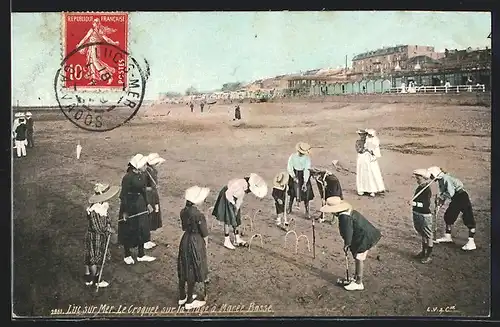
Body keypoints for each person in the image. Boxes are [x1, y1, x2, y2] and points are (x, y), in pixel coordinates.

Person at [320, 196, 381, 291]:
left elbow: (348, 232)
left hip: (365, 237)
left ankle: (359, 283)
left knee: (359, 257)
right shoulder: (347, 212)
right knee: (358, 257)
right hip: (364, 234)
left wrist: (347, 244)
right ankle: (356, 277)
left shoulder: (344, 217)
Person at [212, 173, 267, 250]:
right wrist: (233, 204)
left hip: (234, 197)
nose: (249, 192)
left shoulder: (245, 187)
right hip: (227, 196)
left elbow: (240, 199)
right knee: (227, 218)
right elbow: (228, 193)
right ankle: (226, 240)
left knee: (236, 218)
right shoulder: (239, 184)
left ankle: (236, 238)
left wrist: (236, 209)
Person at [118, 154, 156, 265]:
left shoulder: (143, 175)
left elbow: (143, 190)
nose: (146, 166)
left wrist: (148, 204)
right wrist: (125, 211)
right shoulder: (127, 177)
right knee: (129, 228)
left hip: (140, 204)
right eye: (144, 165)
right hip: (129, 205)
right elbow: (123, 194)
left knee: (142, 227)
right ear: (137, 166)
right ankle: (127, 254)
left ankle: (141, 254)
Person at [427, 166, 476, 251]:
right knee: (449, 216)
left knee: (468, 218)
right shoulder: (441, 180)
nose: (430, 178)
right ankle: (448, 236)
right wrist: (440, 203)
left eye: (431, 176)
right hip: (456, 198)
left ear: (435, 174)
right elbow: (445, 192)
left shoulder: (446, 179)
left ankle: (471, 242)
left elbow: (450, 192)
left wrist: (441, 198)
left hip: (461, 197)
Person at [178, 185, 210, 309]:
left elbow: (184, 228)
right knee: (193, 268)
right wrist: (205, 244)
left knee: (184, 266)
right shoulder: (198, 214)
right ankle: (190, 300)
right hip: (195, 241)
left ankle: (182, 296)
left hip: (185, 239)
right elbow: (205, 233)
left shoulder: (183, 211)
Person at [84, 182, 120, 287]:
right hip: (95, 237)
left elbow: (106, 218)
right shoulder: (94, 210)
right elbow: (96, 227)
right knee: (93, 258)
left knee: (93, 257)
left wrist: (108, 223)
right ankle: (96, 280)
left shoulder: (102, 206)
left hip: (100, 236)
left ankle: (89, 277)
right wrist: (107, 229)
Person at [143, 153, 166, 250]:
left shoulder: (151, 170)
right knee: (148, 216)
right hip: (149, 196)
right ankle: (145, 240)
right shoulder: (147, 172)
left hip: (153, 195)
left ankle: (147, 239)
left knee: (152, 216)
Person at [411, 169, 434, 264]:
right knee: (422, 234)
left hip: (424, 215)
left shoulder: (427, 190)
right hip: (417, 213)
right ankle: (423, 252)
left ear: (424, 178)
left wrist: (414, 203)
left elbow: (425, 205)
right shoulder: (420, 187)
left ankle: (428, 256)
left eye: (419, 177)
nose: (417, 179)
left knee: (428, 235)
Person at [287, 142, 314, 218]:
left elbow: (306, 170)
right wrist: (293, 177)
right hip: (295, 174)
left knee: (306, 194)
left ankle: (307, 211)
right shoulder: (292, 157)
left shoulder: (307, 159)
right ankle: (289, 207)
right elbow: (289, 167)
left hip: (303, 176)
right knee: (292, 192)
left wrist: (305, 182)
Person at [356, 129, 385, 197]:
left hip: (369, 159)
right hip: (362, 159)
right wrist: (365, 150)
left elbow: (375, 150)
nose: (362, 136)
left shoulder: (371, 141)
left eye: (364, 134)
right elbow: (359, 150)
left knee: (371, 173)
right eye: (361, 134)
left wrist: (371, 151)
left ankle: (373, 189)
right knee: (362, 173)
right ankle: (362, 189)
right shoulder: (358, 142)